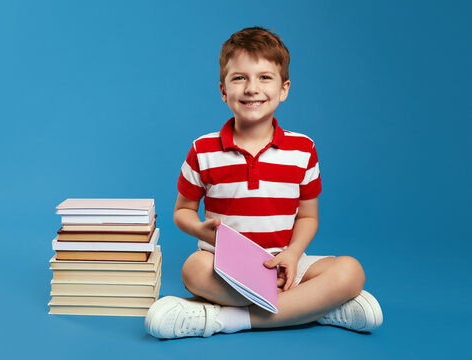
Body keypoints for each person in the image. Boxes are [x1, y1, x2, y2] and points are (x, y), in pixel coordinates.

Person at [145, 27, 383, 339]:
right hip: (225, 269)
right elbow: (182, 212)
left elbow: (309, 216)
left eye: (265, 77)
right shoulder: (202, 150)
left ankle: (226, 318)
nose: (251, 88)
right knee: (192, 269)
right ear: (223, 90)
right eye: (239, 78)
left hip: (284, 265)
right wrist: (199, 229)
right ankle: (314, 308)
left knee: (351, 271)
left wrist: (294, 254)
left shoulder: (303, 149)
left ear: (284, 89)